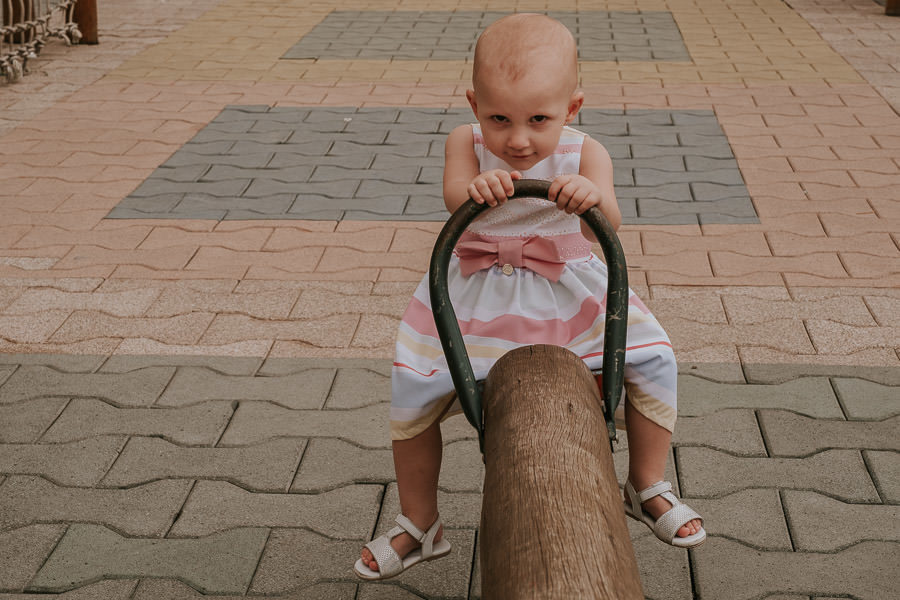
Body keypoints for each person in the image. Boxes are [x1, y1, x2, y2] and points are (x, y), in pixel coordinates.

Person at [354, 13, 705, 581]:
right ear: (474, 105)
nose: (517, 140)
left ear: (571, 109)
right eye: (499, 118)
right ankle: (421, 520)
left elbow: (606, 225)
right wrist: (475, 188)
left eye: (538, 119)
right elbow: (453, 196)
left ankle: (645, 482)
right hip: (476, 289)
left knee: (652, 353)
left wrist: (590, 197)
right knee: (414, 381)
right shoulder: (463, 144)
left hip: (568, 286)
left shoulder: (586, 152)